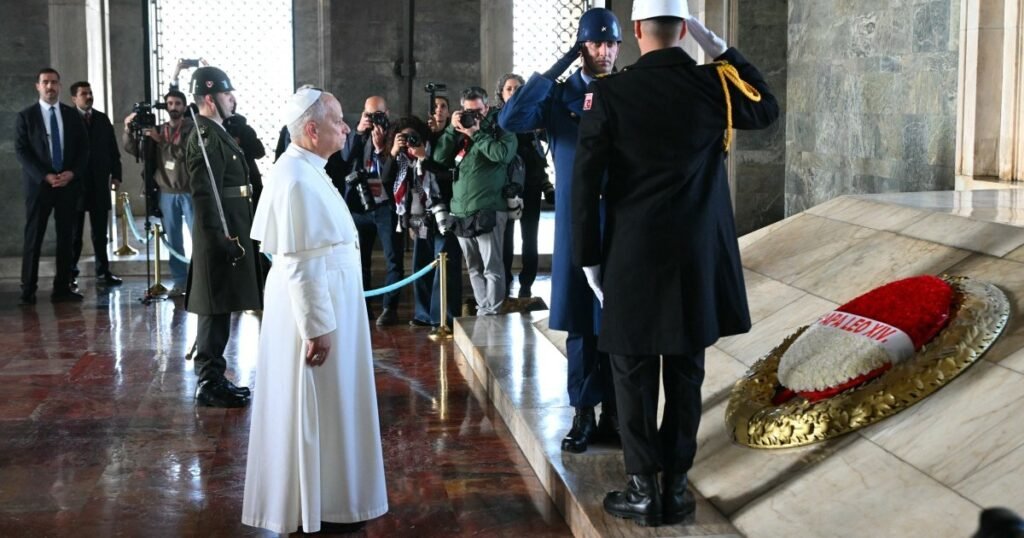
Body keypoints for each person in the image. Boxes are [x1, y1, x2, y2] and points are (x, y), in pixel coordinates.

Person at [571, 1, 779, 526]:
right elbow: (766, 107)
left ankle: (642, 488)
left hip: (632, 254)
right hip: (695, 255)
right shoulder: (715, 85)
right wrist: (722, 50)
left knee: (632, 368)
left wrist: (588, 259)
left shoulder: (612, 92)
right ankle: (677, 487)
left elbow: (585, 185)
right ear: (685, 30)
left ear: (637, 31)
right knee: (686, 369)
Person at [243, 86, 388, 535]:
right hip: (316, 315)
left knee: (333, 403)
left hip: (329, 304)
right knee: (318, 404)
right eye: (337, 121)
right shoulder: (297, 178)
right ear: (311, 129)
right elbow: (300, 262)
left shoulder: (309, 168)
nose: (346, 128)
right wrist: (318, 328)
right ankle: (317, 504)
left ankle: (331, 495)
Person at [498, 7, 621, 453]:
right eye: (594, 44)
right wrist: (556, 69)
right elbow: (510, 120)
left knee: (619, 321)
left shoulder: (628, 92)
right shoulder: (559, 97)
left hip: (620, 223)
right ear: (581, 47)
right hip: (575, 223)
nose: (604, 52)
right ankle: (583, 414)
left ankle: (616, 415)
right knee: (580, 324)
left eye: (610, 44)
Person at [185, 66, 263, 407]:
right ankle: (209, 381)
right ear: (209, 99)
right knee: (214, 307)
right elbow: (206, 195)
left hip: (232, 227)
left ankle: (215, 375)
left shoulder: (218, 132)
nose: (233, 99)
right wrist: (220, 238)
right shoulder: (205, 137)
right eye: (226, 94)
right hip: (220, 234)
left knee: (221, 306)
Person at [432, 86, 517, 316]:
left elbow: (502, 155)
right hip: (460, 210)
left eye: (478, 111)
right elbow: (439, 158)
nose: (474, 116)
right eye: (469, 111)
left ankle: (494, 312)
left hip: (489, 208)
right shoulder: (458, 130)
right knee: (473, 267)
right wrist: (452, 129)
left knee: (493, 267)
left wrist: (476, 134)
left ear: (487, 108)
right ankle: (483, 309)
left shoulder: (501, 128)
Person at [15, 67, 90, 304]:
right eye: (45, 82)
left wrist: (72, 173)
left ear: (59, 86)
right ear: (38, 86)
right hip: (40, 186)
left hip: (67, 186)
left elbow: (83, 150)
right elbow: (22, 151)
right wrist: (45, 175)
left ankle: (62, 288)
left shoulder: (71, 115)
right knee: (33, 238)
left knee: (66, 238)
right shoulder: (26, 116)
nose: (50, 87)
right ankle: (28, 290)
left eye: (54, 82)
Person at [386, 116, 463, 329]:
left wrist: (424, 158)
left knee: (444, 264)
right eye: (405, 137)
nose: (410, 141)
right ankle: (423, 314)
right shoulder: (402, 159)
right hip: (419, 218)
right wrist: (394, 152)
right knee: (421, 265)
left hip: (442, 214)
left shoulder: (436, 149)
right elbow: (386, 181)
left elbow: (449, 175)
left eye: (414, 137)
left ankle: (443, 317)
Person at [339, 96, 405, 326]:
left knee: (393, 259)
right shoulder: (355, 134)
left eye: (379, 114)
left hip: (386, 205)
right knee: (360, 260)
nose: (375, 119)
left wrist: (379, 150)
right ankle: (363, 307)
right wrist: (358, 132)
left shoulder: (395, 134)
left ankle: (389, 308)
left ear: (387, 113)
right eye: (370, 114)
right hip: (359, 205)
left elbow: (394, 169)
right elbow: (345, 158)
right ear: (363, 114)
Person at [123, 90, 194, 295]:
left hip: (189, 191)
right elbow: (135, 150)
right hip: (166, 193)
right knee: (173, 241)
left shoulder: (192, 129)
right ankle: (180, 281)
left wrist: (162, 141)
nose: (174, 107)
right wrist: (129, 129)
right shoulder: (158, 129)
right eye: (170, 103)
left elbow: (185, 154)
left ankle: (199, 281)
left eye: (178, 103)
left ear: (184, 106)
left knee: (197, 238)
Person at [494, 73, 553, 299]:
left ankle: (527, 284)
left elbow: (546, 145)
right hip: (506, 189)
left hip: (531, 186)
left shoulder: (533, 117)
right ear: (501, 93)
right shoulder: (499, 119)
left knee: (531, 237)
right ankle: (506, 281)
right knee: (506, 239)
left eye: (518, 88)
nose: (513, 92)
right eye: (509, 88)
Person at [68, 81, 123, 289]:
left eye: (90, 93)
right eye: (84, 94)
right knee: (74, 235)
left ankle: (104, 271)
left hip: (99, 184)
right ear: (74, 98)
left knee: (101, 234)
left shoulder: (101, 119)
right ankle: (71, 273)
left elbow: (112, 149)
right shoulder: (68, 118)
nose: (88, 96)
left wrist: (116, 176)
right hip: (76, 185)